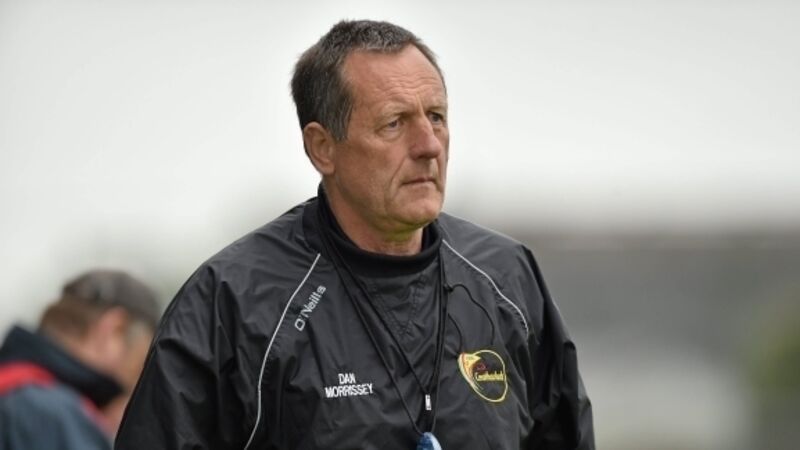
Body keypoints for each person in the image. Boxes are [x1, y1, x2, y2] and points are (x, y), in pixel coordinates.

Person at [115, 20, 594, 450]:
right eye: (394, 123)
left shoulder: (507, 277)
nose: (429, 145)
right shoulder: (233, 302)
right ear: (322, 148)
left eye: (436, 116)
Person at [0, 269, 160, 449]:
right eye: (141, 365)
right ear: (116, 329)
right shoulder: (51, 415)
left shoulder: (14, 391)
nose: (134, 387)